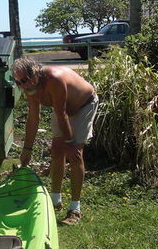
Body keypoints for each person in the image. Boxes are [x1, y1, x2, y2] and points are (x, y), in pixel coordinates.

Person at [10, 56, 98, 226]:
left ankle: (75, 208)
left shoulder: (54, 80)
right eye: (18, 82)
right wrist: (26, 150)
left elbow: (62, 114)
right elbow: (33, 118)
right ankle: (54, 200)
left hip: (83, 105)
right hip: (63, 110)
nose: (22, 85)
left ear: (35, 74)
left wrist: (71, 143)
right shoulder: (29, 87)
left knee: (75, 155)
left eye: (24, 80)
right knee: (57, 150)